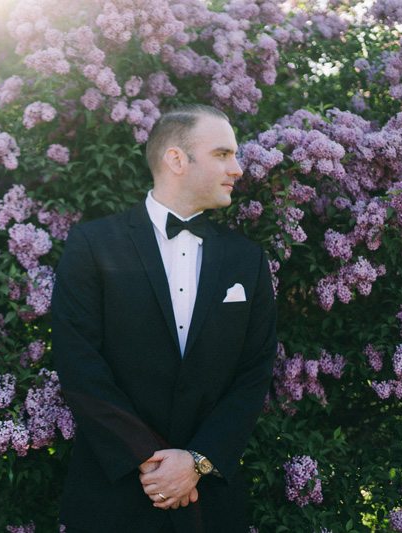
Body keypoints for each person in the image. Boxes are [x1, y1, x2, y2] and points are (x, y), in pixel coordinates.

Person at [51, 104, 277, 532]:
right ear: (176, 159)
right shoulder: (93, 245)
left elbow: (255, 370)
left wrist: (197, 462)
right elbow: (78, 361)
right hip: (112, 493)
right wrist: (148, 460)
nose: (238, 168)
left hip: (210, 500)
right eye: (222, 154)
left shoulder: (246, 259)